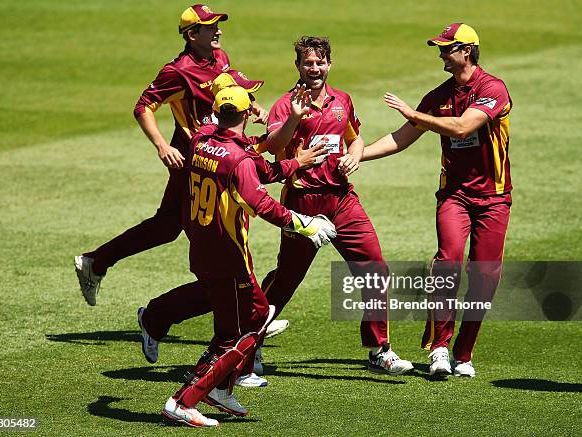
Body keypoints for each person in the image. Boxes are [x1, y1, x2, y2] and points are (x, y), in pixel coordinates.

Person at [159, 85, 336, 427]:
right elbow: (261, 202)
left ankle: (219, 388)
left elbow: (259, 170)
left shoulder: (200, 140)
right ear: (244, 113)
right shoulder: (237, 158)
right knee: (251, 325)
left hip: (202, 248)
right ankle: (186, 399)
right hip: (228, 256)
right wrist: (305, 224)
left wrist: (294, 161)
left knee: (243, 321)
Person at [74, 4, 268, 306]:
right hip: (193, 157)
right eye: (210, 26)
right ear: (192, 35)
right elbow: (143, 107)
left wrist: (249, 105)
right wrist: (162, 146)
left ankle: (96, 263)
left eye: (217, 24)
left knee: (168, 227)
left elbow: (226, 89)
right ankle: (249, 307)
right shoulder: (177, 72)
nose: (218, 30)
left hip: (212, 152)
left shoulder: (220, 56)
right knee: (221, 232)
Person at [361, 23, 513, 377]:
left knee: (485, 277)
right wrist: (358, 157)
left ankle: (464, 352)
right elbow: (401, 139)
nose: (441, 55)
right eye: (440, 49)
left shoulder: (493, 88)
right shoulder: (438, 96)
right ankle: (440, 348)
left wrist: (415, 115)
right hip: (454, 196)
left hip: (494, 198)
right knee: (447, 262)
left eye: (447, 49)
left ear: (467, 51)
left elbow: (462, 127)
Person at [259, 36, 414, 375]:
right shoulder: (286, 104)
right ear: (298, 66)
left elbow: (354, 136)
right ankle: (249, 341)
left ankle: (379, 350)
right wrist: (294, 119)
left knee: (375, 270)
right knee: (287, 278)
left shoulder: (342, 100)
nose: (314, 68)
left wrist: (355, 156)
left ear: (329, 64)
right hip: (303, 202)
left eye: (320, 62)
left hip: (343, 199)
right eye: (307, 63)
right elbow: (273, 147)